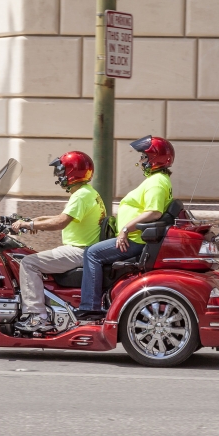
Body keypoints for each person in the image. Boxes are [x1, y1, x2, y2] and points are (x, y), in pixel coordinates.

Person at [74, 136, 174, 321]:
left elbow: (154, 212)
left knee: (91, 253)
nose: (141, 161)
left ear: (154, 158)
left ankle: (90, 307)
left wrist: (125, 229)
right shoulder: (159, 180)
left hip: (135, 240)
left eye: (144, 157)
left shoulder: (157, 181)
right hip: (137, 238)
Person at [11, 151, 107, 332]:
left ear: (72, 172)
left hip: (78, 251)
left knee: (28, 263)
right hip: (84, 249)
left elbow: (61, 222)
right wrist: (34, 221)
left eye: (61, 172)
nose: (59, 176)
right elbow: (63, 216)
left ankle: (37, 317)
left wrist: (30, 224)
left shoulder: (80, 196)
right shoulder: (88, 193)